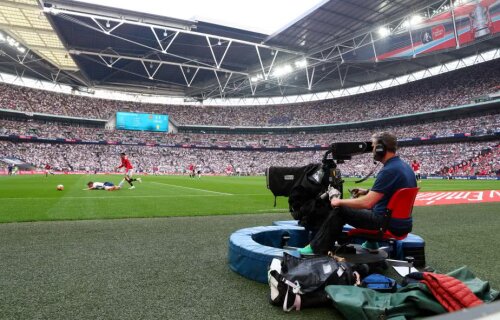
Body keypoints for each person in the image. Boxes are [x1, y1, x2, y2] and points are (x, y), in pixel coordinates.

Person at [299, 132, 417, 255]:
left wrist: (337, 201)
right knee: (363, 204)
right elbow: (390, 194)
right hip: (401, 224)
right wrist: (366, 191)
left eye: (374, 147)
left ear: (381, 148)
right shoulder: (404, 167)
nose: (372, 151)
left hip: (386, 223)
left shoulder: (389, 171)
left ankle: (316, 247)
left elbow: (367, 203)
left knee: (340, 210)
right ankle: (372, 243)